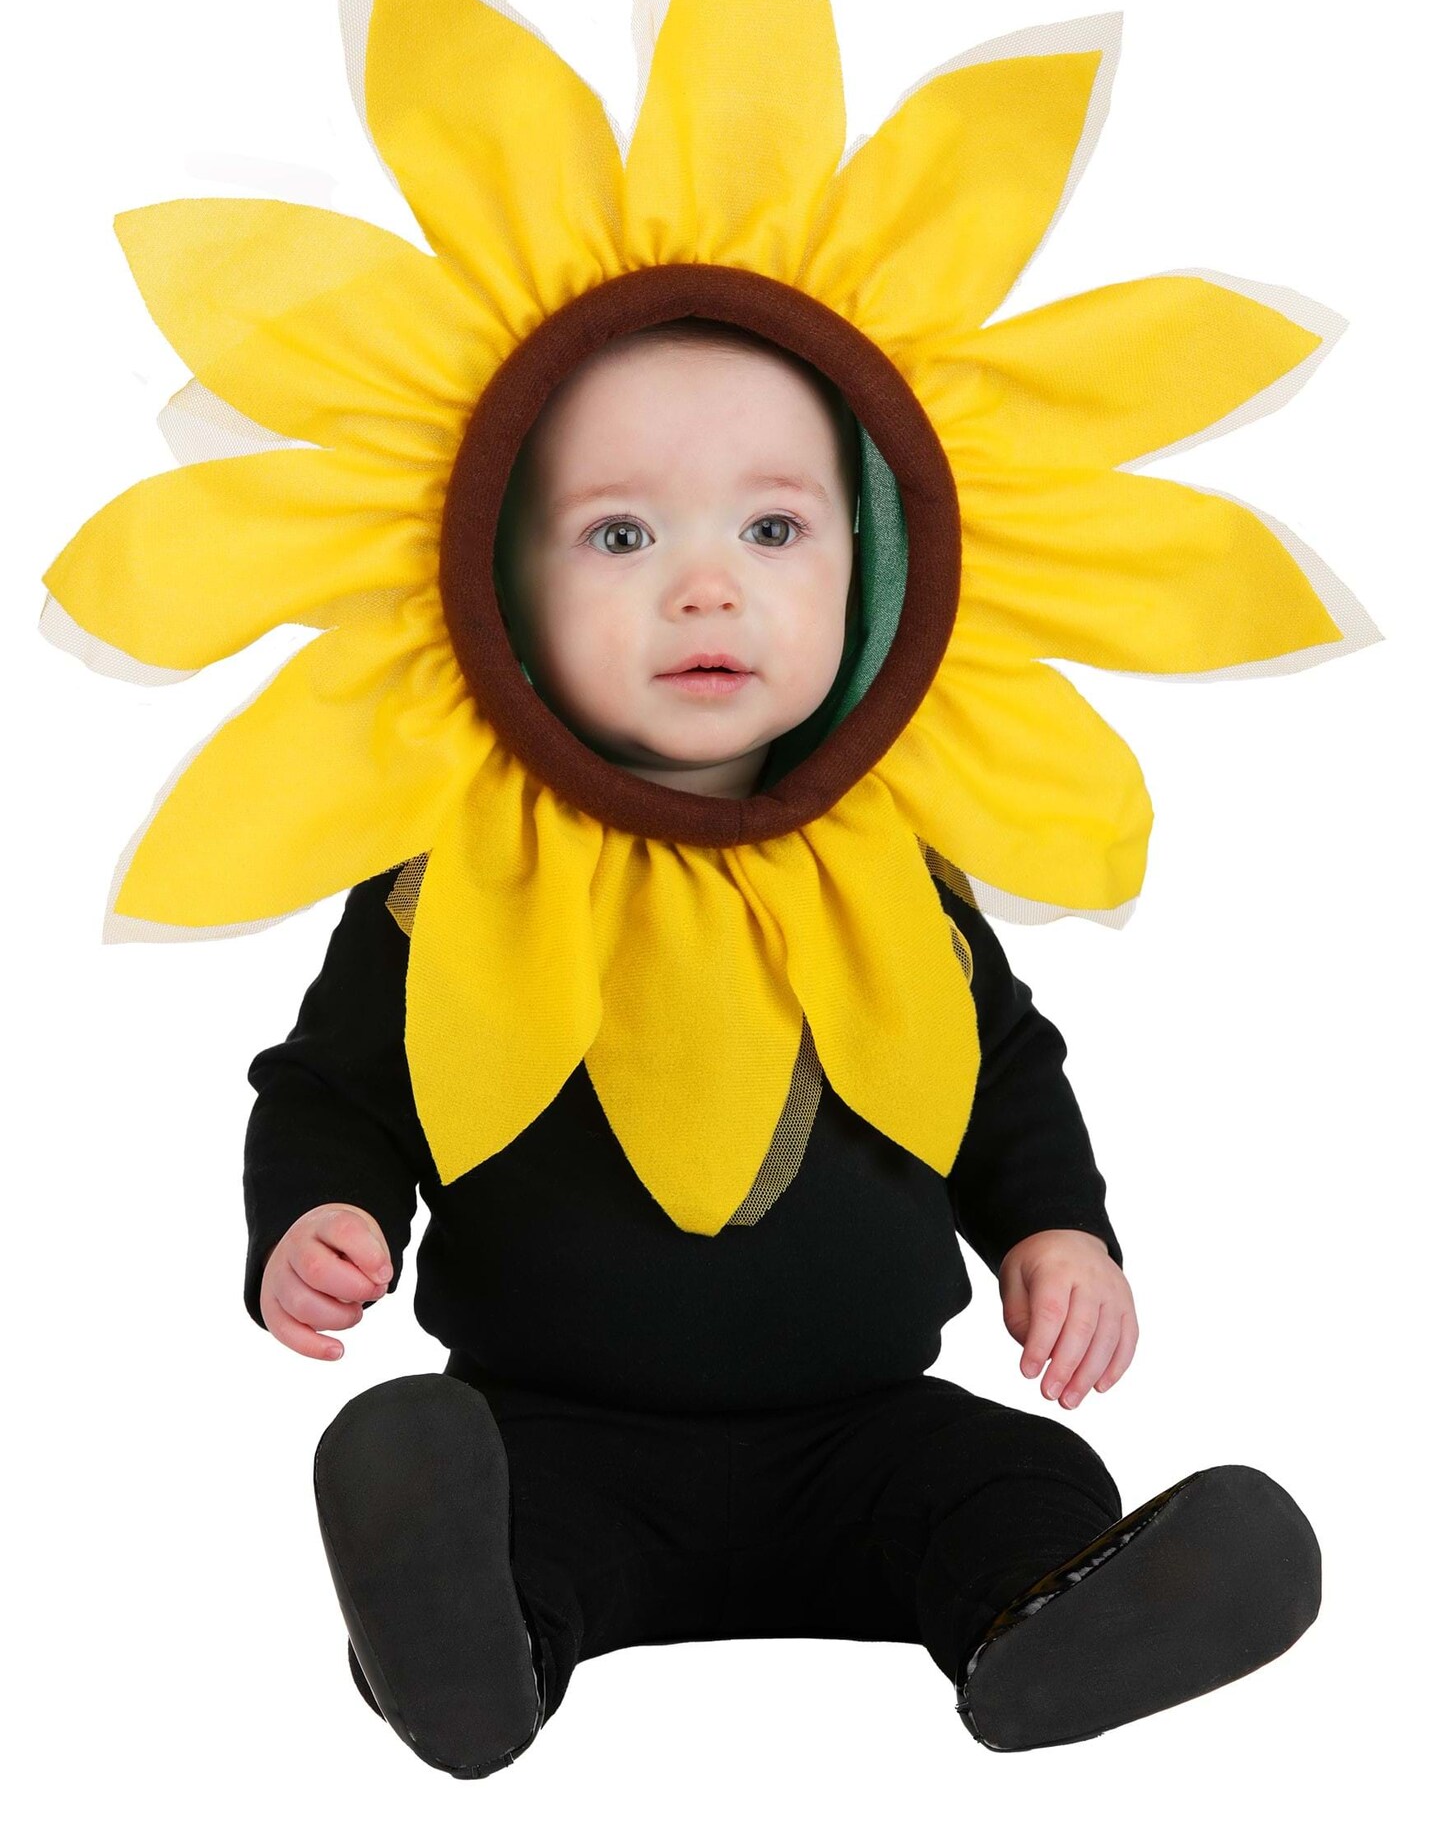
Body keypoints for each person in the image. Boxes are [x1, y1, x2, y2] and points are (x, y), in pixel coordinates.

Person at [246, 320, 1321, 1778]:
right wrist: (322, 1212)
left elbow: (1003, 1074)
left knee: (1021, 1474)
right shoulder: (459, 885)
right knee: (483, 1498)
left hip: (863, 1441)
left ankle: (1048, 1624)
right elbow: (332, 1091)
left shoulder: (894, 874)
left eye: (772, 528)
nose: (708, 585)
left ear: (872, 567)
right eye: (620, 533)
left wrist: (1059, 1230)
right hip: (554, 1430)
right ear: (498, 582)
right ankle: (468, 1651)